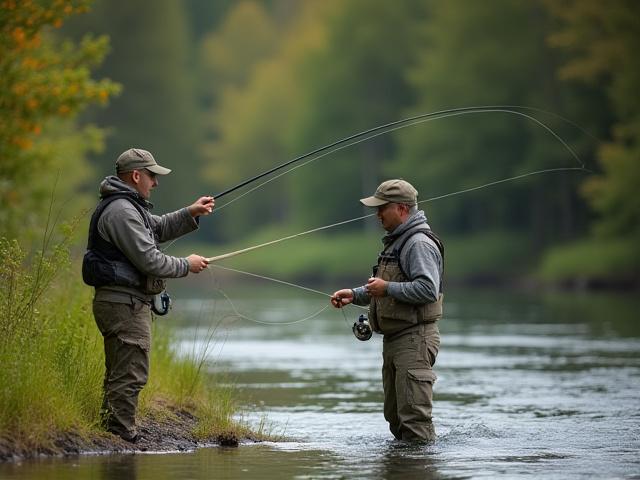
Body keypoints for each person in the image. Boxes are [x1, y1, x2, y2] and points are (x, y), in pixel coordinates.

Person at [83, 147, 213, 442]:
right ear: (136, 175)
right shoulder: (121, 211)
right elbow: (149, 260)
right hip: (122, 304)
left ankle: (114, 430)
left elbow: (158, 227)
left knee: (123, 370)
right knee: (130, 373)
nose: (155, 182)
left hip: (126, 302)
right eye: (152, 176)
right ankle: (121, 435)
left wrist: (190, 212)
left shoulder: (130, 207)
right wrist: (186, 265)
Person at [330, 179, 444, 442]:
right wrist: (355, 295)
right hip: (396, 341)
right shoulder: (397, 242)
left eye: (382, 208)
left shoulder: (418, 243)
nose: (377, 214)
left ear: (402, 209)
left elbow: (427, 289)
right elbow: (386, 287)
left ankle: (419, 469)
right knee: (395, 419)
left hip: (414, 340)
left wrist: (387, 288)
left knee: (414, 421)